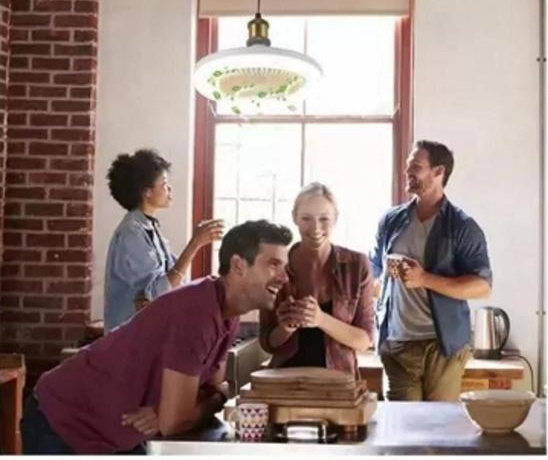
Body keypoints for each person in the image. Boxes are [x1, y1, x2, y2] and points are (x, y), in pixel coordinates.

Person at [20, 220, 293, 454]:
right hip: (62, 423)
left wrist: (198, 402)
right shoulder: (197, 312)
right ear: (237, 265)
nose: (284, 277)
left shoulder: (228, 312)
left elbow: (213, 389)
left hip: (116, 435)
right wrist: (183, 408)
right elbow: (178, 419)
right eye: (273, 264)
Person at [370, 140, 492, 401]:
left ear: (438, 172)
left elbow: (482, 285)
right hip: (396, 343)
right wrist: (378, 284)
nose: (407, 172)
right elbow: (374, 272)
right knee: (401, 433)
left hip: (443, 347)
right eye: (407, 166)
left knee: (439, 431)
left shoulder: (462, 226)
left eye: (416, 166)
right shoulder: (390, 221)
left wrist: (424, 279)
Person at [259, 182, 375, 378]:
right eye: (306, 218)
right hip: (285, 381)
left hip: (339, 384)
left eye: (324, 219)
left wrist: (320, 319)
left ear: (335, 219)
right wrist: (285, 328)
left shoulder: (357, 265)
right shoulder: (275, 266)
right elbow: (267, 342)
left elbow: (365, 340)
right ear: (294, 217)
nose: (315, 228)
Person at [104, 148, 225, 332]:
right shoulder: (131, 234)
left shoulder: (149, 227)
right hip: (129, 340)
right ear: (147, 192)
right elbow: (158, 292)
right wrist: (195, 243)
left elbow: (176, 279)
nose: (169, 189)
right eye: (164, 184)